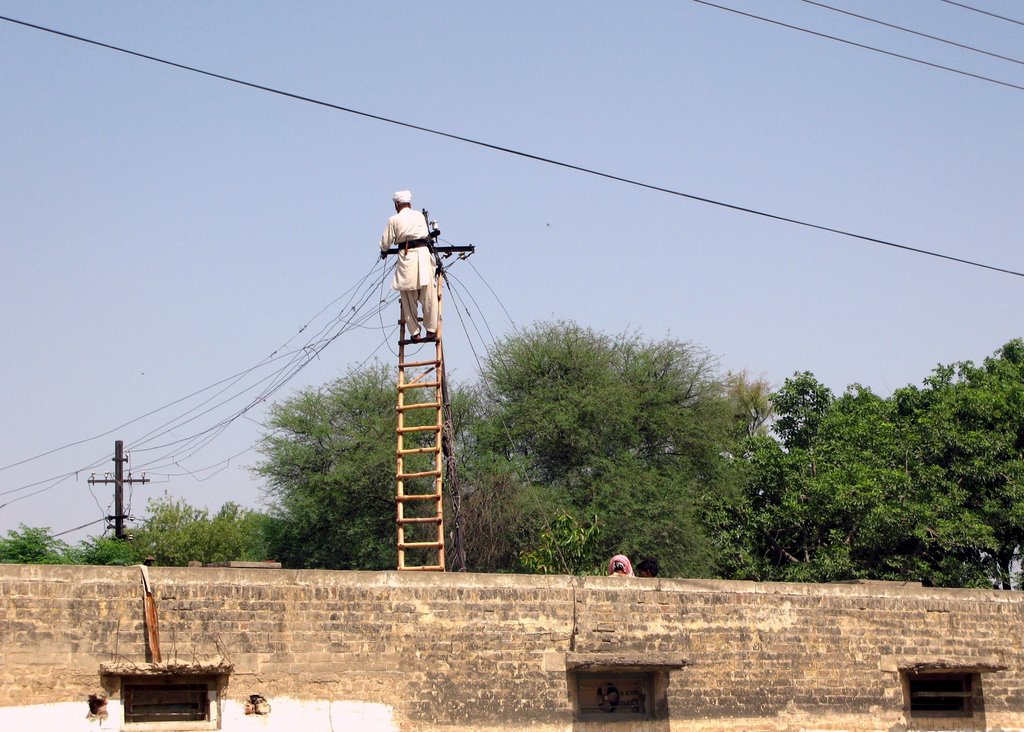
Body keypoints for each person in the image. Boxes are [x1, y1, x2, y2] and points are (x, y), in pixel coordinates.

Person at [380, 189, 437, 342]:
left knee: (408, 299)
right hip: (424, 257)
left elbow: (386, 243)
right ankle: (431, 329)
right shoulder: (419, 216)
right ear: (409, 204)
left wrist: (384, 251)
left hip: (407, 259)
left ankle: (415, 333)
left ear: (397, 205)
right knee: (429, 296)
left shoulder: (394, 220)